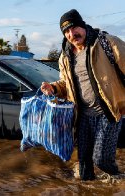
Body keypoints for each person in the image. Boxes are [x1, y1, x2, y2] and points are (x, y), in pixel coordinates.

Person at [41, 9, 125, 181]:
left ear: (82, 25)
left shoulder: (107, 43)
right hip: (82, 117)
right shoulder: (65, 56)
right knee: (84, 166)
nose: (72, 34)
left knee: (101, 159)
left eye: (74, 28)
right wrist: (53, 87)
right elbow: (66, 85)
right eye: (66, 31)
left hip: (108, 112)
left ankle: (119, 180)